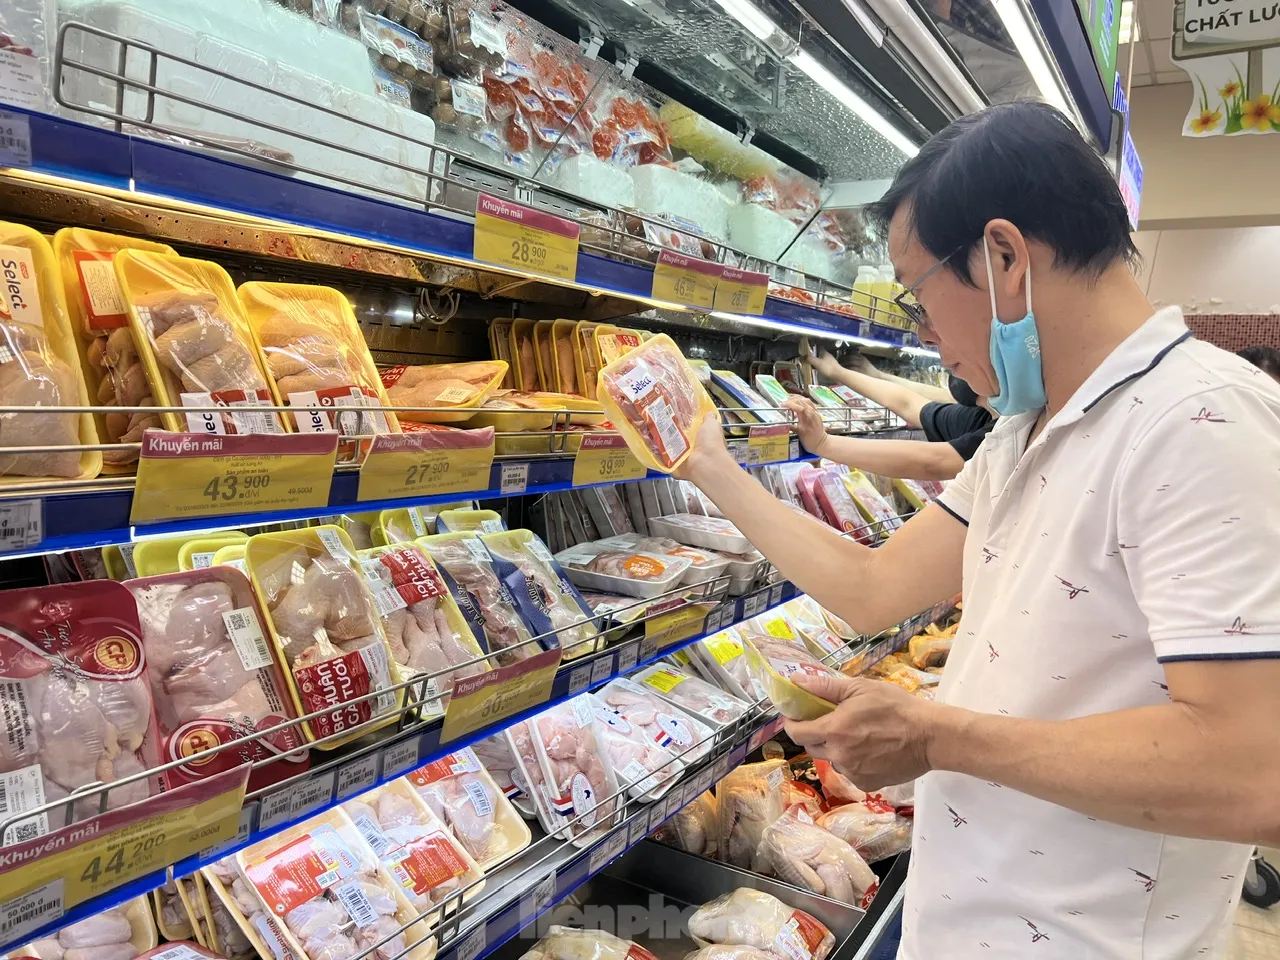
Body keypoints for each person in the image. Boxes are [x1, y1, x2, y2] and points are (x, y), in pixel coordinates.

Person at [674, 100, 1280, 958]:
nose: (923, 334)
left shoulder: (1201, 422)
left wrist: (936, 735)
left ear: (1003, 256)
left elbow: (1255, 772)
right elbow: (874, 587)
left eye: (918, 296)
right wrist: (707, 463)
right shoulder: (1025, 429)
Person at [782, 394, 975, 480]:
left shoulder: (992, 426)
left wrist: (823, 443)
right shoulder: (981, 413)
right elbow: (908, 404)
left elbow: (934, 463)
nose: (926, 338)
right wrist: (837, 371)